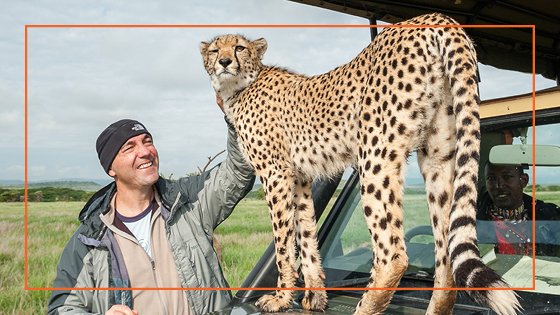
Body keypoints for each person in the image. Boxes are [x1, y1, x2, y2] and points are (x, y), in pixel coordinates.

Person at [47, 97, 255, 315]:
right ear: (111, 169)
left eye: (147, 141)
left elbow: (240, 170)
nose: (145, 151)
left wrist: (236, 116)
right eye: (129, 147)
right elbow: (62, 308)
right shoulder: (89, 239)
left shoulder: (188, 200)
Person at [477, 161, 560, 257]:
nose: (499, 185)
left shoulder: (550, 216)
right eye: (491, 178)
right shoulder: (473, 224)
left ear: (523, 181)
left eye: (507, 177)